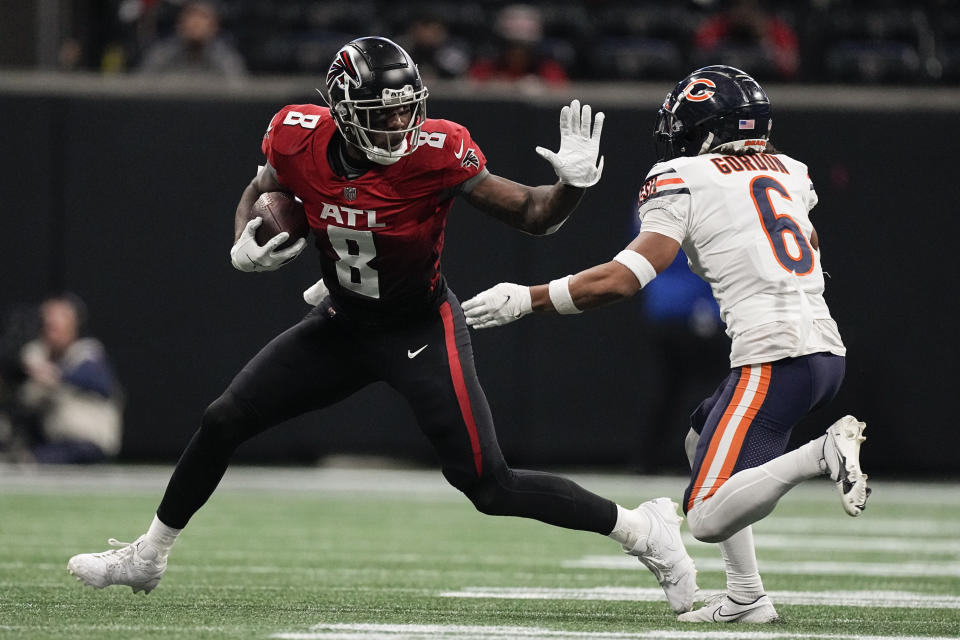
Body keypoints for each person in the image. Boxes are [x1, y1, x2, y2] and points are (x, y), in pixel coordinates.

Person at [66, 36, 698, 614]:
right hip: (341, 321)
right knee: (224, 418)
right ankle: (147, 556)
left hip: (419, 328)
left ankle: (641, 528)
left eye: (407, 109)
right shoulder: (293, 135)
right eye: (383, 111)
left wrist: (571, 187)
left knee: (488, 484)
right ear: (341, 109)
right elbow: (261, 188)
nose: (400, 124)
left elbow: (534, 215)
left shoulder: (436, 151)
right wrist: (242, 241)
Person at [462, 65, 870, 623]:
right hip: (823, 349)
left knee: (702, 517)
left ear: (704, 127)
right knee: (698, 439)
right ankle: (746, 597)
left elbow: (624, 278)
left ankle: (819, 454)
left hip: (774, 354)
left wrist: (528, 297)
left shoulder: (682, 175)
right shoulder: (790, 170)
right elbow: (808, 246)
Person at [9, 294, 123, 463]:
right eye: (47, 323)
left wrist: (54, 374)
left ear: (73, 325)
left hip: (89, 445)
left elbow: (100, 384)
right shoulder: (36, 355)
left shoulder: (87, 353)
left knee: (35, 460)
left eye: (58, 324)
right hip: (51, 442)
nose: (51, 328)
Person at [137, 1, 246, 79]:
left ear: (214, 27)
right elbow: (141, 88)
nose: (196, 23)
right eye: (191, 16)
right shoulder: (162, 55)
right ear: (180, 24)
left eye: (203, 17)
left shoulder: (226, 59)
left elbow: (239, 91)